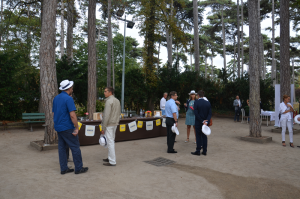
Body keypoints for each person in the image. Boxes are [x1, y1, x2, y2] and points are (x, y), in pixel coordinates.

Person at [53, 80, 88, 175]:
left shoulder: (56, 98)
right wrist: (76, 127)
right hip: (67, 127)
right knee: (75, 147)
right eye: (72, 87)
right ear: (69, 88)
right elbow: (72, 115)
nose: (72, 89)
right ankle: (78, 168)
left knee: (62, 148)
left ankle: (64, 168)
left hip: (58, 126)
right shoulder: (68, 99)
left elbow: (54, 112)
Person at [101, 87, 121, 166]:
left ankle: (112, 161)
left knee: (110, 142)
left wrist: (103, 127)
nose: (104, 92)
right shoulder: (117, 100)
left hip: (109, 124)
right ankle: (110, 158)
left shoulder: (109, 101)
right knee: (111, 141)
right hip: (115, 123)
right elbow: (118, 113)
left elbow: (106, 115)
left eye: (105, 91)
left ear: (110, 92)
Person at [192, 90, 212, 156]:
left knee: (198, 136)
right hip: (205, 123)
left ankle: (198, 150)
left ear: (198, 95)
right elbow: (210, 113)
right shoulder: (208, 103)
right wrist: (206, 121)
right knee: (204, 136)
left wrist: (201, 120)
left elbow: (196, 113)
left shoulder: (196, 102)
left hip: (198, 122)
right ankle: (204, 151)